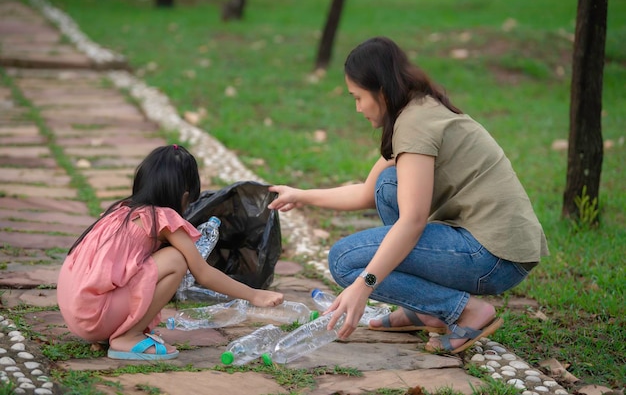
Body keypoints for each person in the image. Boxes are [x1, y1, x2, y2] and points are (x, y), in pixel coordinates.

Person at [268, 36, 548, 354]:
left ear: (382, 90)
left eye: (358, 97)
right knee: (388, 186)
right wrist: (301, 195)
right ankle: (423, 310)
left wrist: (364, 285)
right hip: (494, 246)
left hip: (494, 256)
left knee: (345, 262)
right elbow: (365, 192)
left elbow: (413, 221)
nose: (358, 108)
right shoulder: (417, 107)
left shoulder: (415, 124)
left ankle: (467, 311)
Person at [58, 145, 284, 361]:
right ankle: (128, 336)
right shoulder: (162, 218)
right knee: (176, 260)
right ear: (185, 196)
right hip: (94, 316)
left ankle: (113, 329)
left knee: (160, 262)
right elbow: (202, 273)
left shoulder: (119, 210)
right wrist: (254, 295)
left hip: (77, 310)